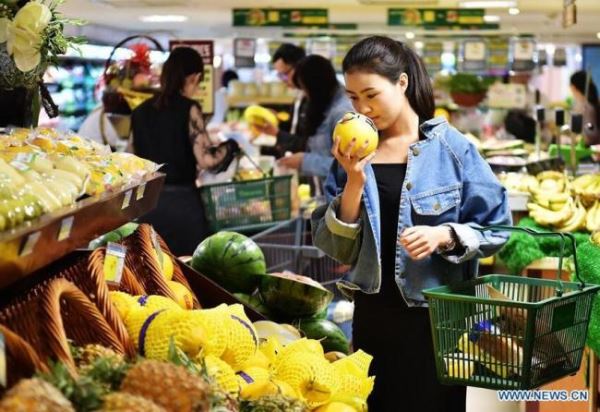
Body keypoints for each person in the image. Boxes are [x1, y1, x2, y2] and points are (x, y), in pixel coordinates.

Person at [311, 36, 512, 412]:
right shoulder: (352, 151)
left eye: (371, 94)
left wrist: (446, 234)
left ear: (401, 83)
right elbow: (335, 247)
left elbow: (498, 226)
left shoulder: (451, 149)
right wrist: (354, 180)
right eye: (354, 98)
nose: (363, 108)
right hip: (374, 317)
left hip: (438, 324)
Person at [131, 47, 230, 256]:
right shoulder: (190, 108)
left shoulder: (140, 111)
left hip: (148, 206)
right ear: (194, 78)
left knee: (153, 269)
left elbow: (130, 160)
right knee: (187, 271)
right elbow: (206, 160)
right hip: (182, 206)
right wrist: (230, 147)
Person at [262, 55, 353, 180]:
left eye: (306, 89)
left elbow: (350, 168)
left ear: (316, 86)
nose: (305, 95)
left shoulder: (342, 114)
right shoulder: (325, 104)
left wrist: (305, 161)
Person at [268, 43, 309, 155]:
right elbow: (294, 128)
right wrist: (277, 120)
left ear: (299, 67)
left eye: (284, 74)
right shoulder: (299, 94)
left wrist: (277, 133)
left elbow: (309, 144)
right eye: (280, 76)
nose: (283, 80)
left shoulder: (314, 99)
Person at [570, 70, 600, 146]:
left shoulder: (587, 107)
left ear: (573, 87)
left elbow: (591, 130)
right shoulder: (582, 104)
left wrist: (586, 129)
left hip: (590, 150)